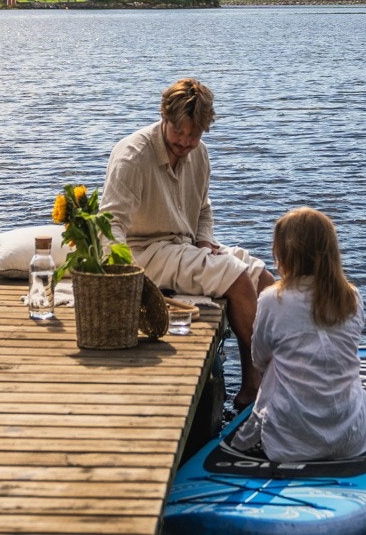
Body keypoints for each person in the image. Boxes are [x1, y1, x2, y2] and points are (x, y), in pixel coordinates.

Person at [102, 78, 275, 407]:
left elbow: (203, 209)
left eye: (193, 135)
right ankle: (254, 390)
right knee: (238, 281)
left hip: (184, 244)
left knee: (264, 278)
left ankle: (287, 371)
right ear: (163, 117)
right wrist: (119, 277)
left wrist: (204, 240)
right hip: (144, 250)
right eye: (178, 132)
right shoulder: (132, 156)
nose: (185, 141)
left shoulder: (199, 154)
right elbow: (111, 224)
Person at [233, 207, 366, 463]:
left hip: (291, 440)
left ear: (285, 254)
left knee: (276, 363)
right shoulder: (352, 297)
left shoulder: (271, 300)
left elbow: (258, 359)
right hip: (351, 436)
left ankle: (282, 432)